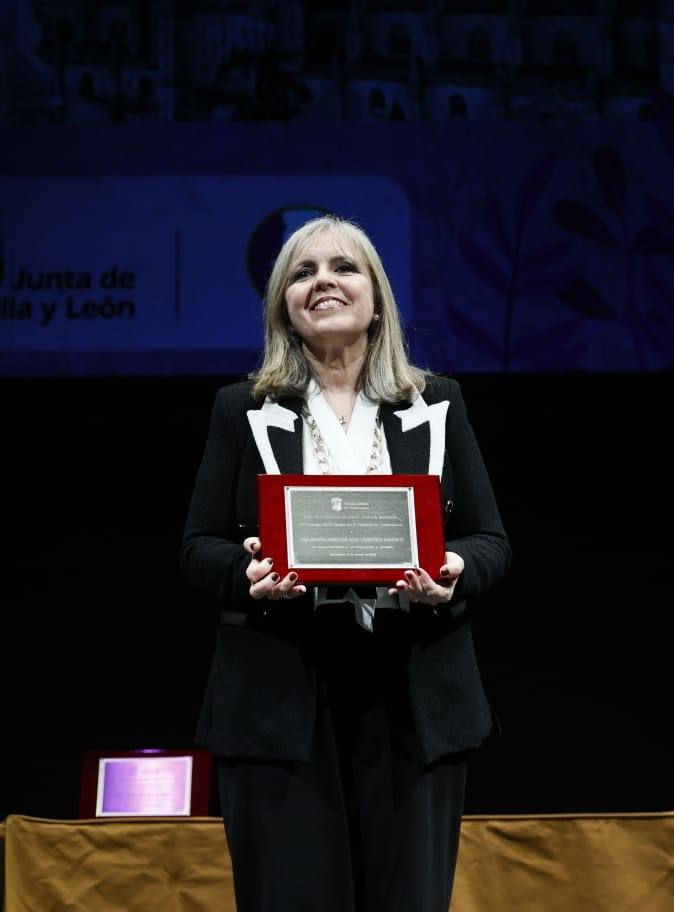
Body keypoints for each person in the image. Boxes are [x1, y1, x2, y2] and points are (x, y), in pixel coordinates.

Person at [181, 214, 510, 911]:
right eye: (302, 273)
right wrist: (246, 575)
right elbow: (197, 547)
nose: (322, 281)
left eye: (342, 267)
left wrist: (450, 569)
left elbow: (489, 540)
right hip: (278, 696)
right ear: (283, 306)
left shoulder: (438, 404)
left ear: (377, 296)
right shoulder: (240, 409)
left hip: (413, 694)